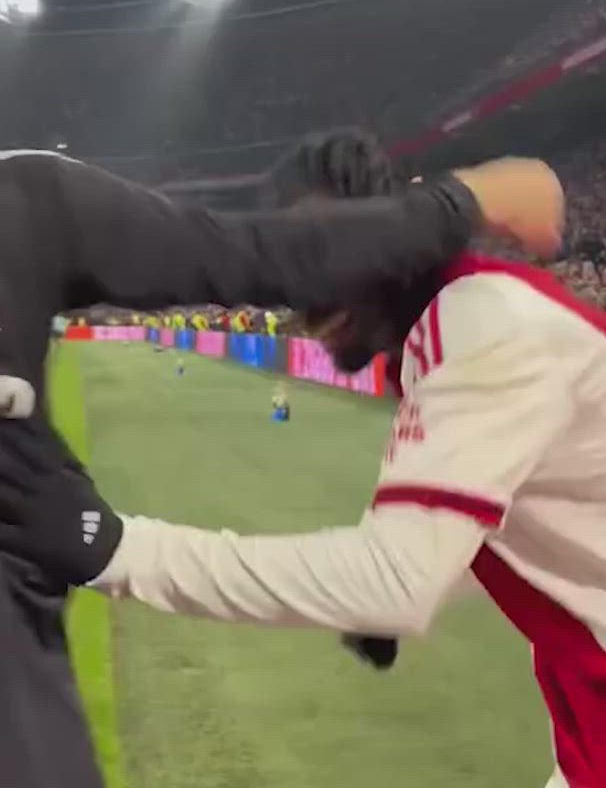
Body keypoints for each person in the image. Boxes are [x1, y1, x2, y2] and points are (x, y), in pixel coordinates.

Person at [0, 140, 582, 788]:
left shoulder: (483, 322)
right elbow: (547, 520)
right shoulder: (456, 330)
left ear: (389, 234)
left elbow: (395, 584)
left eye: (333, 249)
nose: (305, 299)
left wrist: (113, 548)